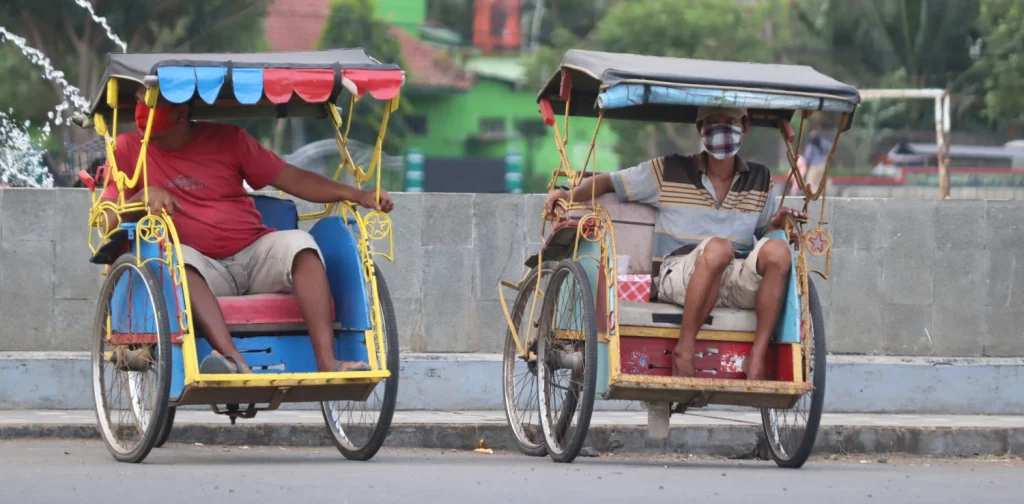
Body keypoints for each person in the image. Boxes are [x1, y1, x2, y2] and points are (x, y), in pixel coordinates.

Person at [100, 85, 394, 374]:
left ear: (179, 112)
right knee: (178, 260)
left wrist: (357, 194)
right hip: (197, 269)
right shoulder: (127, 149)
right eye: (139, 101)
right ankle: (233, 360)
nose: (140, 112)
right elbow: (108, 220)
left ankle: (327, 361)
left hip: (253, 253)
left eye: (150, 103)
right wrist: (143, 197)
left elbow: (290, 177)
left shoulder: (229, 140)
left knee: (301, 245)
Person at [543, 106, 803, 380]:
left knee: (778, 251)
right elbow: (609, 182)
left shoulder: (761, 180)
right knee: (719, 249)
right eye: (714, 122)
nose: (723, 129)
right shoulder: (668, 170)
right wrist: (568, 194)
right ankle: (684, 350)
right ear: (701, 129)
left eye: (730, 122)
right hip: (678, 273)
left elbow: (763, 234)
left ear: (745, 126)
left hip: (735, 274)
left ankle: (757, 358)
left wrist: (780, 226)